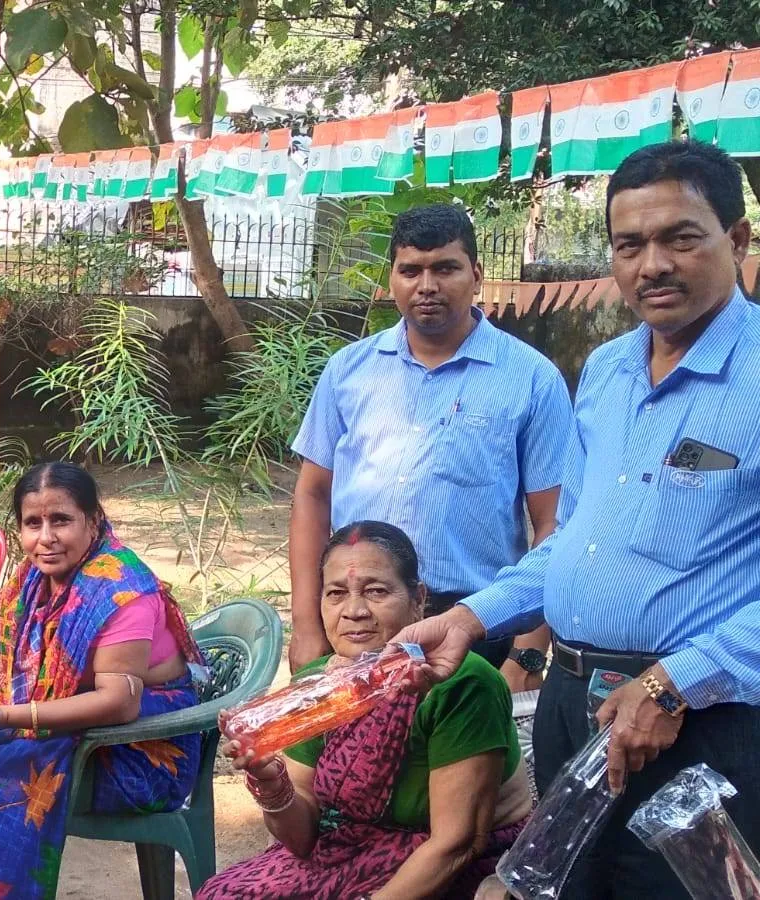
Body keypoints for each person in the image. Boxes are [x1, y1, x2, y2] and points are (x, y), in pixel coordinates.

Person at [398, 140, 760, 899]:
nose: (651, 264)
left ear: (738, 239)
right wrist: (470, 616)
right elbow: (572, 541)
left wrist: (674, 686)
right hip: (573, 706)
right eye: (629, 245)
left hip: (702, 726)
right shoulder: (606, 372)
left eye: (680, 237)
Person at [0, 461, 204, 899]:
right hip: (68, 726)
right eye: (33, 523)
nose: (45, 538)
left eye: (61, 520)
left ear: (94, 521)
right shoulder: (36, 576)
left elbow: (120, 702)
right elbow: (11, 657)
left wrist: (7, 717)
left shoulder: (123, 591)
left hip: (133, 751)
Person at [289, 202, 574, 694]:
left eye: (445, 268)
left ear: (476, 273)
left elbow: (555, 523)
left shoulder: (531, 378)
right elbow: (312, 495)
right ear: (393, 278)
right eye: (410, 270)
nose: (427, 286)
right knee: (354, 770)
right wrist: (307, 624)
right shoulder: (348, 371)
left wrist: (528, 648)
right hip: (358, 626)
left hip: (476, 629)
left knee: (461, 771)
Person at [197, 521, 530, 900]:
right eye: (336, 593)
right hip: (346, 849)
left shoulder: (457, 683)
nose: (354, 610)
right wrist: (273, 787)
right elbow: (303, 839)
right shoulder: (315, 687)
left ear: (418, 599)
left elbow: (456, 845)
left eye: (376, 591)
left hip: (449, 867)